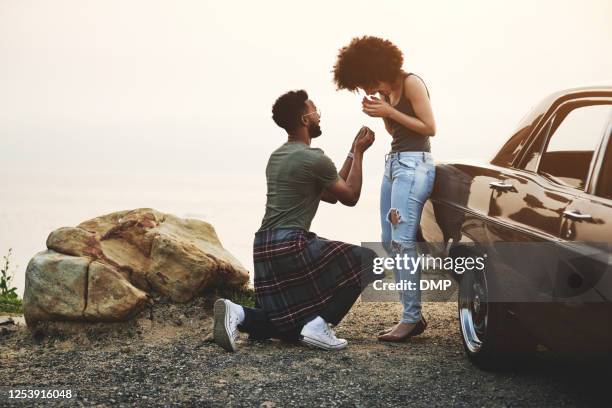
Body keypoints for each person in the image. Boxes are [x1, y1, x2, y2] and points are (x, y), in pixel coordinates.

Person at [213, 89, 378, 352]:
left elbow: (328, 194)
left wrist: (350, 151)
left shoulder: (278, 156)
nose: (319, 117)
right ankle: (322, 324)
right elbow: (349, 196)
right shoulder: (314, 159)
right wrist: (360, 153)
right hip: (291, 244)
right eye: (315, 112)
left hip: (263, 247)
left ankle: (238, 313)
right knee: (369, 261)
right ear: (305, 120)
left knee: (288, 328)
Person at [333, 36, 437, 342]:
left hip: (414, 165)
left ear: (376, 68)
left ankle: (411, 318)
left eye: (365, 82)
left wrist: (390, 112)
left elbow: (429, 128)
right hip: (394, 165)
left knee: (402, 241)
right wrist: (382, 112)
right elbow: (397, 130)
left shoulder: (412, 83)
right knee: (389, 240)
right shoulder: (388, 91)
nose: (366, 90)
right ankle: (411, 316)